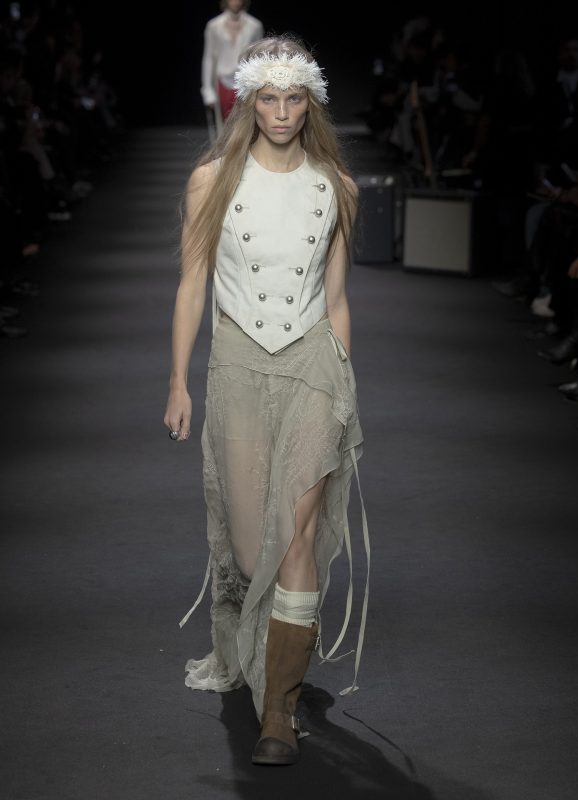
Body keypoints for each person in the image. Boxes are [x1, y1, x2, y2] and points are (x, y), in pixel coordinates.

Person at [164, 34, 370, 766]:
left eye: (294, 98)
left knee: (298, 538)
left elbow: (336, 298)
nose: (282, 111)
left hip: (314, 364)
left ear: (310, 103)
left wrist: (343, 378)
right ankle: (255, 658)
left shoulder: (336, 187)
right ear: (249, 102)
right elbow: (192, 284)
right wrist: (179, 381)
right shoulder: (212, 181)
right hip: (239, 363)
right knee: (255, 551)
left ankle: (278, 711)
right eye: (269, 98)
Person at [200, 0, 264, 136]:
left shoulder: (255, 26)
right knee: (223, 128)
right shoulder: (214, 26)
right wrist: (207, 90)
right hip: (222, 81)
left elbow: (258, 58)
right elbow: (209, 58)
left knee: (243, 126)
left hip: (245, 81)